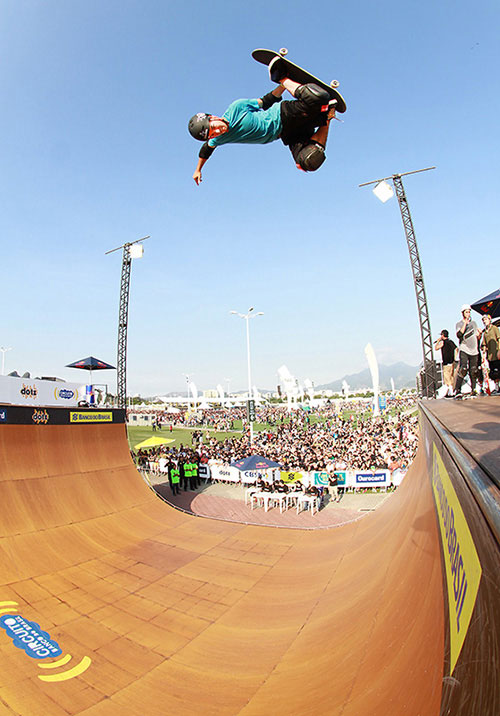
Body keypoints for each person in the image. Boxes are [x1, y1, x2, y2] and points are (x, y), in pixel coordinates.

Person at [189, 69, 337, 184]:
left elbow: (266, 101)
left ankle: (286, 79)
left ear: (213, 117)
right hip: (286, 133)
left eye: (214, 127)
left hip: (282, 114)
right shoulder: (219, 138)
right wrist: (198, 170)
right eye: (213, 134)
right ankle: (328, 116)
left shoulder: (236, 108)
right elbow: (206, 150)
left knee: (318, 98)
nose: (217, 131)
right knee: (308, 162)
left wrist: (282, 82)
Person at [454, 305, 481, 398]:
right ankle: (457, 390)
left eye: (469, 312)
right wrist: (465, 323)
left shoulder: (474, 323)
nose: (468, 314)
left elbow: (477, 335)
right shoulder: (459, 324)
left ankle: (473, 389)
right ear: (463, 313)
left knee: (473, 370)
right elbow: (459, 334)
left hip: (474, 349)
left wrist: (479, 334)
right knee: (463, 369)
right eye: (466, 312)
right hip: (464, 348)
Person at [434, 329, 457, 397]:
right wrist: (454, 358)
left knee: (447, 378)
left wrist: (438, 341)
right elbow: (456, 349)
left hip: (446, 363)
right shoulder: (451, 342)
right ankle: (451, 390)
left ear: (443, 335)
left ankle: (451, 392)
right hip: (452, 362)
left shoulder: (443, 343)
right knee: (451, 377)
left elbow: (436, 348)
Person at [480, 314, 500, 394]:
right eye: (483, 320)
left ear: (490, 319)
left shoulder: (494, 328)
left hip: (496, 353)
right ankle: (496, 387)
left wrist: (499, 350)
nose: (485, 321)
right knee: (493, 373)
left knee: (498, 370)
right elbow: (483, 344)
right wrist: (484, 349)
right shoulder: (485, 332)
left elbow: (499, 339)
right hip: (490, 355)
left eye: (486, 319)